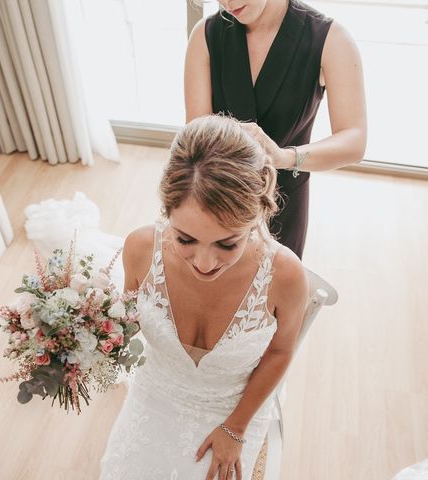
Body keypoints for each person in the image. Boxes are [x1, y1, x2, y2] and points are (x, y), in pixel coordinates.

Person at [99, 115, 308, 479]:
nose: (204, 262)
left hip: (234, 407)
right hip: (156, 394)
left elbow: (280, 351)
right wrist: (87, 331)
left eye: (227, 244)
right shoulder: (139, 248)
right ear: (166, 210)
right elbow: (126, 325)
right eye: (185, 239)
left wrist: (235, 428)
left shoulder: (285, 276)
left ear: (257, 214)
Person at [184, 0, 367, 258]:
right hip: (214, 198)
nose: (228, 2)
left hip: (283, 202)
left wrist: (285, 157)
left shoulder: (331, 39)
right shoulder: (205, 35)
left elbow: (354, 140)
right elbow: (196, 134)